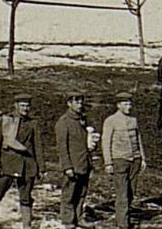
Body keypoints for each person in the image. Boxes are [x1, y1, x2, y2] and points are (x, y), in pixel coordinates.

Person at [0, 95, 43, 229]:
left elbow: (38, 146)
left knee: (26, 197)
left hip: (27, 165)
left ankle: (26, 225)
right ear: (16, 105)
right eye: (23, 105)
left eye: (28, 106)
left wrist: (41, 167)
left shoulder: (33, 123)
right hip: (7, 164)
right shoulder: (5, 120)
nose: (25, 109)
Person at [102, 92, 147, 229]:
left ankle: (125, 218)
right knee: (122, 193)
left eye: (130, 103)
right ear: (118, 105)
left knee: (131, 192)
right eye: (126, 104)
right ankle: (123, 224)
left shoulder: (133, 120)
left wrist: (142, 158)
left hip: (135, 160)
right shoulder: (111, 121)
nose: (129, 106)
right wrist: (108, 162)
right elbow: (106, 142)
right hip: (119, 160)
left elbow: (138, 139)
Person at [54, 92, 92, 228]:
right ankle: (68, 220)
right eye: (76, 102)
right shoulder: (63, 122)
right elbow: (62, 148)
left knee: (81, 193)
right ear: (69, 104)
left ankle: (79, 217)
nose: (79, 105)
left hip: (84, 163)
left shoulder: (82, 119)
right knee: (69, 194)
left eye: (81, 102)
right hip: (72, 165)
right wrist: (67, 167)